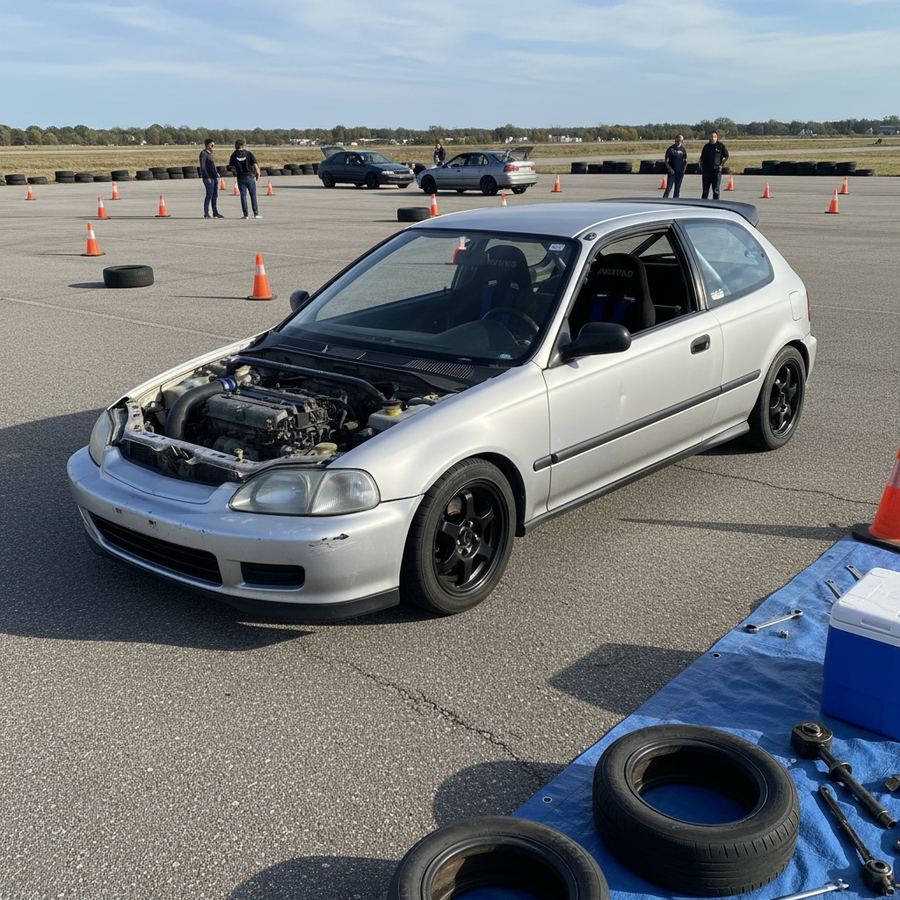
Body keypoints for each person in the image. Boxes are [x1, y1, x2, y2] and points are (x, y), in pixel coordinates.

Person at [228, 139, 262, 219]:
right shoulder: (248, 153)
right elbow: (255, 165)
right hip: (250, 176)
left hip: (240, 177)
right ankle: (256, 213)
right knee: (253, 195)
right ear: (243, 145)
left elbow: (231, 167)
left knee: (243, 196)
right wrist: (258, 174)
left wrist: (235, 172)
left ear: (236, 145)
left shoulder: (233, 155)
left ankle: (246, 214)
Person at [699, 131, 729, 200]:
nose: (713, 138)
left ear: (717, 137)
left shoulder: (720, 146)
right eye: (711, 136)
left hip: (716, 171)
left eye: (714, 137)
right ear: (709, 137)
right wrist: (700, 166)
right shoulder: (706, 146)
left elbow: (727, 156)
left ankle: (716, 205)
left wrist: (721, 165)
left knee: (716, 190)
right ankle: (703, 204)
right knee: (705, 190)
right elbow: (701, 158)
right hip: (706, 171)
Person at [199, 138, 223, 218]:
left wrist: (216, 173)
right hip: (208, 178)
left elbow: (212, 166)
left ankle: (215, 212)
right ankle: (206, 213)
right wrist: (207, 176)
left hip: (214, 177)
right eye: (212, 145)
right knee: (209, 195)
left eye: (213, 145)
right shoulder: (203, 153)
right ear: (208, 145)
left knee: (215, 195)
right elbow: (202, 167)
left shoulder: (211, 153)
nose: (213, 146)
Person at [663, 134, 687, 198]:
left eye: (680, 141)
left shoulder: (683, 149)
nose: (679, 142)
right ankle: (664, 200)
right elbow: (666, 161)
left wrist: (684, 169)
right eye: (677, 140)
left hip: (680, 172)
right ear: (675, 140)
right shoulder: (670, 149)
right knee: (668, 188)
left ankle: (676, 201)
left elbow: (685, 160)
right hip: (672, 172)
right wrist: (670, 169)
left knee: (677, 189)